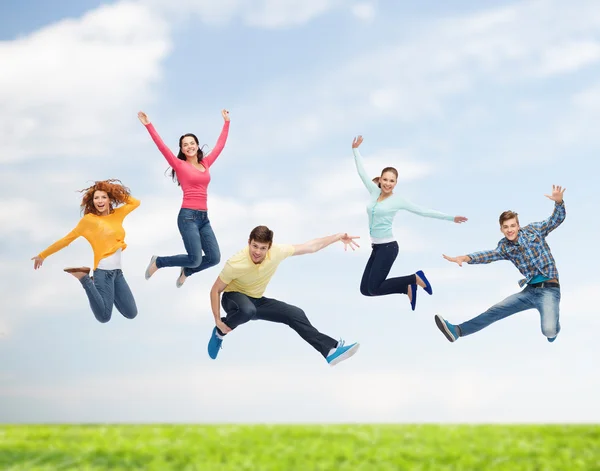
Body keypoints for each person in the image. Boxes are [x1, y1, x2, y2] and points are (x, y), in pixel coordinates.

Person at [208, 225, 361, 366]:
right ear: (249, 242)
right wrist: (217, 320)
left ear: (269, 247)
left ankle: (330, 350)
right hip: (233, 298)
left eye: (263, 248)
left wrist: (338, 236)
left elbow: (311, 246)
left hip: (256, 300)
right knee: (247, 310)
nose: (257, 252)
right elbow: (215, 290)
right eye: (254, 246)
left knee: (295, 313)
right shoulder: (235, 263)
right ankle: (220, 332)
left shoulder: (277, 252)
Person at [435, 185, 566, 343]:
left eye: (512, 226)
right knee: (495, 310)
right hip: (530, 291)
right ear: (501, 229)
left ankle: (553, 328)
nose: (510, 230)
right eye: (506, 227)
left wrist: (559, 203)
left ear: (518, 226)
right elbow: (489, 255)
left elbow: (555, 220)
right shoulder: (505, 246)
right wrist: (465, 257)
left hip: (549, 290)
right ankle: (457, 330)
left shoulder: (534, 230)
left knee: (549, 330)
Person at [351, 135, 467, 311]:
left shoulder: (398, 200)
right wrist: (355, 150)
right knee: (365, 290)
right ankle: (406, 287)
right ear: (380, 180)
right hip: (376, 248)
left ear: (396, 183)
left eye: (392, 181)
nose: (388, 183)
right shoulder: (374, 192)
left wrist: (451, 218)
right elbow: (362, 172)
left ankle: (413, 279)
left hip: (388, 248)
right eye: (385, 179)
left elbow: (423, 211)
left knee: (373, 287)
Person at [138, 109, 230, 288]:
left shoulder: (205, 164)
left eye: (192, 143)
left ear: (197, 145)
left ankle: (186, 271)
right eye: (185, 145)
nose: (189, 146)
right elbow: (162, 147)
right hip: (187, 217)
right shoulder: (179, 165)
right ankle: (159, 261)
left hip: (204, 219)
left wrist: (227, 122)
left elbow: (220, 146)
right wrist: (149, 125)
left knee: (214, 258)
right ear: (181, 149)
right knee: (195, 259)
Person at [31, 180, 140, 323]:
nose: (99, 201)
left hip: (118, 273)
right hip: (103, 272)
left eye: (103, 197)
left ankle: (97, 288)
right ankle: (84, 278)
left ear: (109, 199)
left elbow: (135, 203)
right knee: (104, 317)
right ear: (92, 201)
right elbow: (66, 240)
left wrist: (114, 191)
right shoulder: (88, 221)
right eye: (96, 198)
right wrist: (42, 255)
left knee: (131, 313)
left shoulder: (117, 214)